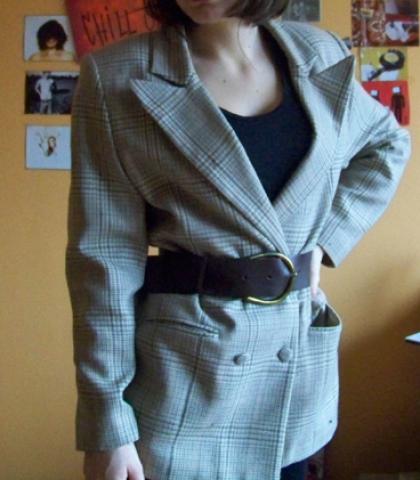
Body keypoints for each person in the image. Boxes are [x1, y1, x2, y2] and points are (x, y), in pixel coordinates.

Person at [65, 1, 411, 479]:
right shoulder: (116, 77)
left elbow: (386, 145)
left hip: (293, 379)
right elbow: (104, 261)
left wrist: (322, 243)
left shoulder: (319, 53)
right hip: (188, 383)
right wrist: (108, 426)